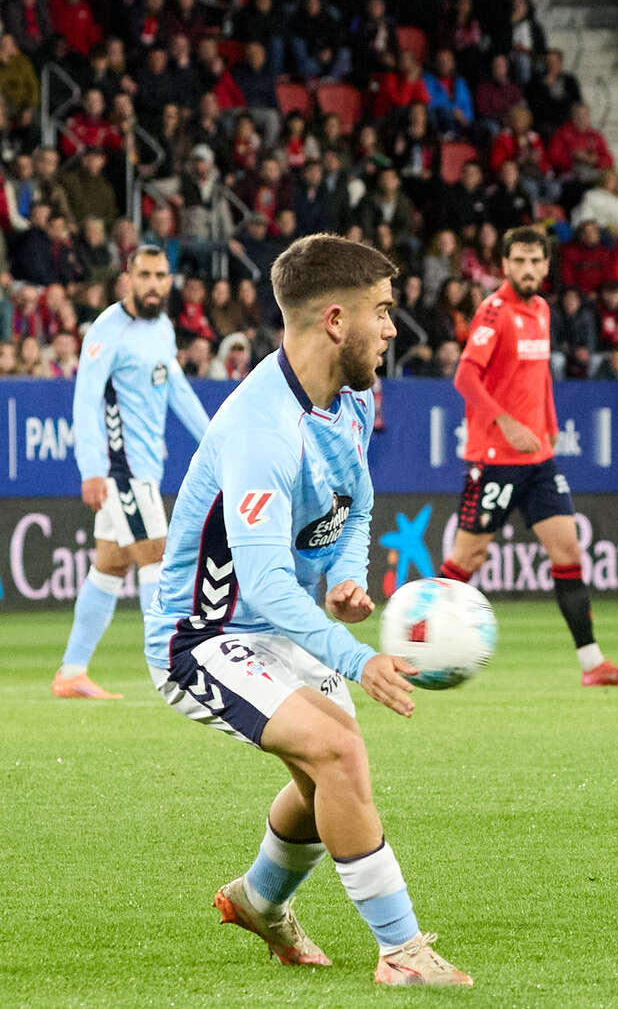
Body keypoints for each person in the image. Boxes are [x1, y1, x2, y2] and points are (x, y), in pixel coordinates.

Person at [141, 234, 468, 986]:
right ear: (334, 320)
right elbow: (261, 585)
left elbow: (357, 506)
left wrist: (346, 578)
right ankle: (402, 952)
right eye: (381, 311)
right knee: (340, 752)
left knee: (329, 774)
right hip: (205, 636)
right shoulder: (260, 429)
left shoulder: (353, 395)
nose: (392, 329)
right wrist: (359, 658)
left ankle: (258, 899)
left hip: (279, 627)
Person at [438, 226, 618, 687]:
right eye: (519, 261)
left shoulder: (542, 310)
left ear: (547, 265)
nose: (528, 269)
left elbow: (540, 377)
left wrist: (548, 425)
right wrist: (507, 423)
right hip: (494, 458)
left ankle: (592, 664)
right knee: (468, 557)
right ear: (505, 265)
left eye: (536, 261)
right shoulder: (493, 312)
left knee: (568, 550)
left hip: (538, 462)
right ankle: (416, 647)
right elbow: (465, 378)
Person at [55, 246, 211, 699]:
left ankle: (71, 672)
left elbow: (176, 388)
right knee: (158, 556)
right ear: (128, 277)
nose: (153, 284)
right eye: (145, 275)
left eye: (161, 275)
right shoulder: (107, 331)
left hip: (146, 468)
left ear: (169, 279)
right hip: (120, 469)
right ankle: (170, 667)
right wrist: (92, 469)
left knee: (110, 565)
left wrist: (214, 441)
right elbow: (86, 401)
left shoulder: (161, 328)